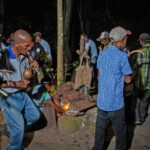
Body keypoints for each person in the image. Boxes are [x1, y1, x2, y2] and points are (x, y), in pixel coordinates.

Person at [0, 29, 47, 150]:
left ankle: (11, 128)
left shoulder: (24, 56)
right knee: (19, 129)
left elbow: (26, 75)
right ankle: (15, 141)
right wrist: (16, 84)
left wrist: (31, 67)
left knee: (35, 116)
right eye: (27, 45)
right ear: (16, 44)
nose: (29, 48)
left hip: (22, 94)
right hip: (8, 97)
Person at [92, 26, 132, 150]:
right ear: (121, 40)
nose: (126, 42)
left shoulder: (102, 54)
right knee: (120, 131)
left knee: (100, 130)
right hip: (116, 103)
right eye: (126, 39)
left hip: (102, 101)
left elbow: (98, 77)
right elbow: (128, 79)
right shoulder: (122, 56)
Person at [132, 33, 150, 125]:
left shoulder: (139, 52)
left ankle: (137, 119)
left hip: (140, 82)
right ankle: (142, 118)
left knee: (137, 100)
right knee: (145, 101)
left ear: (142, 42)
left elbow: (134, 67)